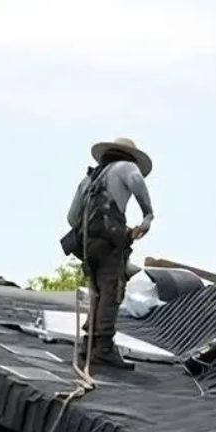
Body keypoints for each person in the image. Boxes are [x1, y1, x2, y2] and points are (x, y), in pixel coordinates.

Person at [64, 137, 154, 371]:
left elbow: (72, 217)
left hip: (87, 244)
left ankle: (88, 344)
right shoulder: (127, 166)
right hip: (108, 242)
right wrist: (147, 215)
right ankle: (103, 347)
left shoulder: (90, 178)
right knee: (112, 289)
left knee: (96, 291)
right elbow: (136, 180)